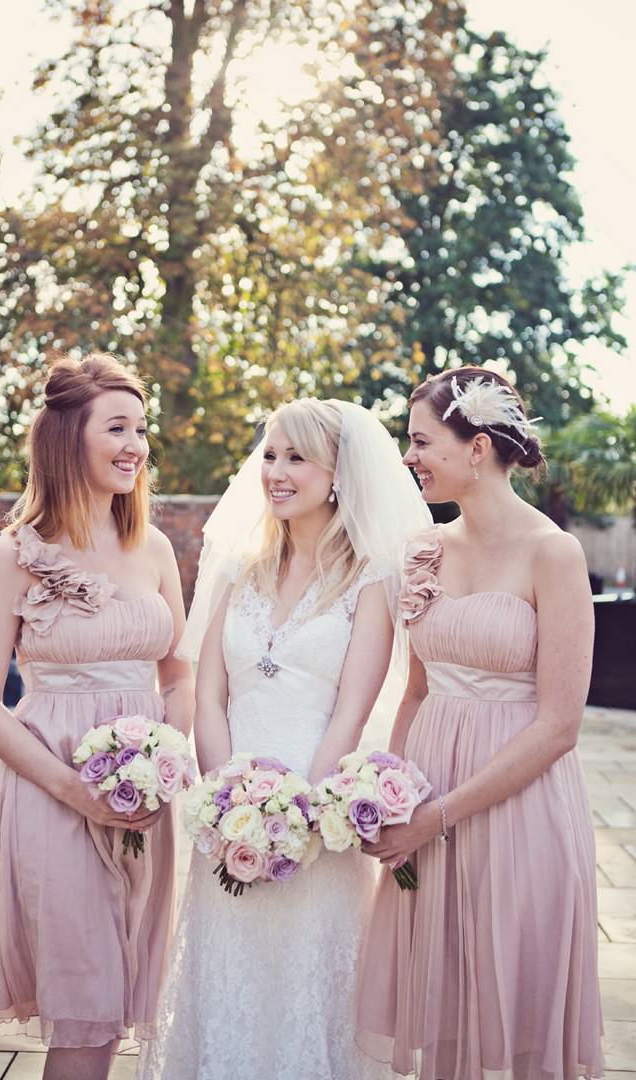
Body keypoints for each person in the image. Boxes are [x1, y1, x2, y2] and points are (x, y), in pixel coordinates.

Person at [137, 398, 430, 1080]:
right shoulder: (239, 569)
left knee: (303, 991)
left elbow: (351, 712)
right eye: (269, 453)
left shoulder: (372, 581)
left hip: (316, 814)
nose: (275, 470)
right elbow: (209, 694)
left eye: (296, 457)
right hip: (229, 817)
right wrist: (224, 801)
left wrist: (294, 814)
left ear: (336, 475)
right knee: (231, 981)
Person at [0, 354, 194, 1080]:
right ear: (66, 438)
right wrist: (77, 790)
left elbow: (178, 671)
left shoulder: (158, 548)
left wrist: (165, 758)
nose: (136, 444)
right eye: (117, 427)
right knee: (86, 1002)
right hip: (55, 792)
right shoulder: (18, 553)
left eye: (141, 428)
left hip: (143, 800)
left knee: (114, 1009)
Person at [357, 367, 603, 1080]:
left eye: (422, 441)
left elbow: (560, 725)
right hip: (426, 799)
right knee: (443, 1014)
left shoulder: (553, 552)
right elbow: (414, 690)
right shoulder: (424, 550)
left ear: (478, 447)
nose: (410, 457)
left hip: (516, 804)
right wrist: (392, 796)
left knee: (515, 1003)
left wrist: (436, 816)